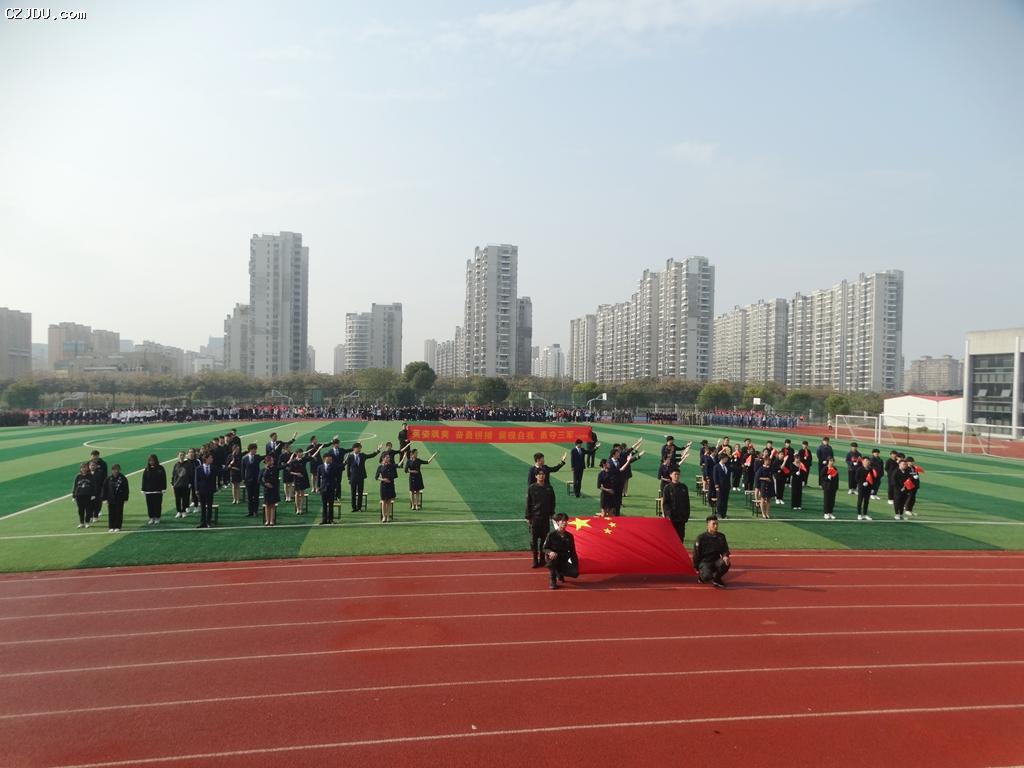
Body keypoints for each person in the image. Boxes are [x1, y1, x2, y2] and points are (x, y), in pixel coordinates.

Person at [526, 469, 557, 568]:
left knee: (545, 540)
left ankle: (543, 560)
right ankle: (535, 560)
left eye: (543, 474)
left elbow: (553, 501)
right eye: (539, 474)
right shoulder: (532, 488)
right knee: (534, 541)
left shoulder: (549, 488)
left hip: (545, 518)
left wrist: (552, 513)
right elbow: (528, 503)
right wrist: (528, 517)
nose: (541, 476)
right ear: (536, 476)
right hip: (535, 517)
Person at [542, 512, 579, 589]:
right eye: (562, 521)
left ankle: (559, 572)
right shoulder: (551, 534)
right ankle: (553, 580)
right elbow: (544, 548)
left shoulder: (569, 536)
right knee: (553, 559)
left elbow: (573, 552)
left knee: (575, 573)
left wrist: (575, 566)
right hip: (553, 558)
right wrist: (550, 552)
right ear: (558, 522)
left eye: (566, 521)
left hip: (563, 559)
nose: (564, 523)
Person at [692, 515, 731, 588]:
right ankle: (702, 576)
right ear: (708, 524)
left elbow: (725, 549)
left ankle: (717, 579)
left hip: (716, 561)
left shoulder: (721, 536)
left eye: (717, 524)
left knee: (726, 563)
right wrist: (696, 567)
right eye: (713, 524)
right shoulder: (701, 538)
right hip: (705, 562)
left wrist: (725, 556)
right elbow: (696, 553)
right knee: (706, 576)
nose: (716, 526)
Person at [344, 442, 380, 512]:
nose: (359, 449)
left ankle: (359, 507)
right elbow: (348, 468)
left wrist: (377, 450)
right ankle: (354, 507)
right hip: (353, 477)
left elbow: (371, 455)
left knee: (360, 493)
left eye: (360, 448)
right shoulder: (350, 457)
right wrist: (349, 478)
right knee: (353, 493)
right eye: (358, 448)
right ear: (354, 448)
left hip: (361, 477)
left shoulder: (362, 455)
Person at [661, 468, 690, 544]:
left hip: (681, 518)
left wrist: (686, 515)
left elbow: (687, 502)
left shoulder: (684, 487)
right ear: (671, 475)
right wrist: (668, 515)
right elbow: (665, 503)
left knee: (680, 537)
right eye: (675, 474)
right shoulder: (667, 488)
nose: (677, 476)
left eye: (678, 474)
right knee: (671, 538)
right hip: (672, 518)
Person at [102, 464, 129, 532]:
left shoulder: (123, 478)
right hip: (110, 498)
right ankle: (111, 526)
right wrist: (104, 498)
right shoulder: (108, 478)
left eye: (117, 469)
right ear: (112, 470)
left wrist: (126, 498)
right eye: (114, 469)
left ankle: (118, 526)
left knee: (119, 512)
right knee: (111, 513)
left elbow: (126, 488)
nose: (116, 471)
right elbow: (104, 488)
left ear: (119, 470)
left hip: (120, 498)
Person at [141, 454, 167, 525]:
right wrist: (143, 489)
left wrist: (164, 488)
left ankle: (157, 517)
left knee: (157, 505)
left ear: (156, 460)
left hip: (158, 490)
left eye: (153, 460)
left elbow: (163, 478)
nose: (151, 462)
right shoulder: (147, 469)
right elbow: (144, 479)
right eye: (150, 461)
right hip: (148, 491)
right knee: (150, 505)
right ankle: (151, 518)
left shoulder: (160, 468)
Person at [194, 453, 218, 529]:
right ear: (206, 459)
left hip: (210, 490)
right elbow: (196, 480)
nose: (212, 459)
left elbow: (216, 476)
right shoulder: (198, 468)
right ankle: (202, 522)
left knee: (209, 506)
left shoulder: (213, 468)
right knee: (203, 507)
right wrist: (196, 489)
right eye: (210, 458)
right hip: (201, 490)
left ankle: (208, 522)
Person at [316, 452, 341, 524]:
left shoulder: (333, 466)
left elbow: (337, 476)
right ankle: (324, 519)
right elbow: (318, 478)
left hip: (331, 488)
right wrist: (317, 487)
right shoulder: (320, 467)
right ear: (325, 459)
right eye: (329, 459)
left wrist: (336, 487)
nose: (330, 460)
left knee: (331, 504)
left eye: (331, 459)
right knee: (324, 505)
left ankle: (331, 519)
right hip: (323, 488)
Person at [72, 462, 97, 529]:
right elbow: (75, 486)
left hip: (88, 495)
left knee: (88, 510)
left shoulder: (90, 476)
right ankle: (81, 523)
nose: (83, 469)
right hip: (79, 496)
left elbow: (94, 486)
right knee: (80, 510)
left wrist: (93, 494)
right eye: (82, 467)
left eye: (85, 467)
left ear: (87, 468)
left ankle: (87, 522)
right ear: (80, 469)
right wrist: (74, 495)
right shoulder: (78, 476)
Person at [375, 452, 398, 522]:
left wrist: (403, 458)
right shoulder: (380, 467)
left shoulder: (391, 466)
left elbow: (396, 471)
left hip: (390, 485)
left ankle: (388, 516)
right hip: (383, 486)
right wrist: (383, 479)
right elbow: (376, 477)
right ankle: (384, 517)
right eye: (387, 457)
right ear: (383, 458)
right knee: (384, 501)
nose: (388, 458)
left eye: (389, 457)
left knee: (389, 501)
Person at [241, 443, 262, 518]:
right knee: (249, 497)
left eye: (256, 449)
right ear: (250, 450)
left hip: (256, 480)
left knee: (256, 496)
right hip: (248, 480)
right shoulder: (244, 458)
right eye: (254, 449)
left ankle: (255, 511)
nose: (255, 451)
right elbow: (243, 469)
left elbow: (266, 456)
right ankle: (250, 511)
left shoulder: (257, 457)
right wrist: (243, 479)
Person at [171, 450, 193, 519]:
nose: (181, 456)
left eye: (183, 455)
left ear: (185, 456)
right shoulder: (176, 465)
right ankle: (178, 511)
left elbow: (190, 474)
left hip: (185, 484)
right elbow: (173, 475)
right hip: (177, 485)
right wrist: (172, 484)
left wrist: (190, 482)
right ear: (178, 456)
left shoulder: (188, 464)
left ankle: (183, 511)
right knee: (177, 499)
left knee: (185, 499)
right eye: (180, 455)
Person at [260, 454, 281, 526]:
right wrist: (265, 484)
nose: (273, 461)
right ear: (267, 462)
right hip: (267, 490)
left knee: (272, 504)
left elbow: (282, 466)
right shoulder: (263, 470)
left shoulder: (275, 468)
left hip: (274, 488)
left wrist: (289, 461)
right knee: (267, 504)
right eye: (271, 460)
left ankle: (272, 520)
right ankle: (267, 520)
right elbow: (259, 480)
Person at [88, 450, 108, 522]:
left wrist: (105, 484)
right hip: (90, 485)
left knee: (98, 499)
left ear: (98, 456)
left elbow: (105, 474)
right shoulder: (88, 463)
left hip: (100, 484)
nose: (94, 457)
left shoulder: (103, 463)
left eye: (95, 456)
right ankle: (91, 514)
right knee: (90, 500)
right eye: (93, 456)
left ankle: (97, 511)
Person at [854, 456, 875, 521]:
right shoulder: (859, 469)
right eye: (865, 461)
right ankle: (859, 514)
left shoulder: (870, 470)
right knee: (860, 501)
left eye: (868, 461)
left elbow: (873, 479)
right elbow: (856, 478)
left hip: (868, 488)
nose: (866, 462)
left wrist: (872, 488)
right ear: (863, 462)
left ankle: (865, 514)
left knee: (866, 501)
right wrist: (862, 483)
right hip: (861, 487)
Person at [712, 452, 731, 519]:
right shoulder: (716, 467)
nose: (727, 459)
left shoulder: (727, 466)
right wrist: (716, 486)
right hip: (720, 486)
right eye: (726, 458)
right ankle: (719, 513)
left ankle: (724, 513)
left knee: (725, 500)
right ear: (722, 458)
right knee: (720, 500)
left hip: (726, 486)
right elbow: (715, 477)